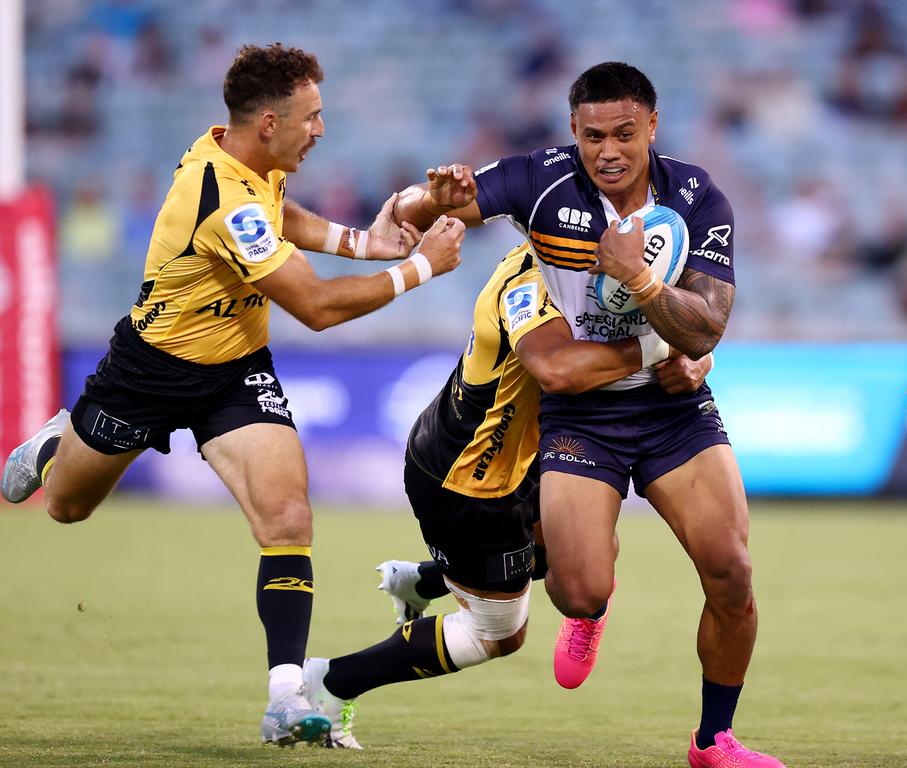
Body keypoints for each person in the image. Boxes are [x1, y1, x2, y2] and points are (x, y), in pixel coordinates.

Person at [0, 43, 465, 747]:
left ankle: (284, 698)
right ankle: (62, 438)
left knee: (286, 517)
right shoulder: (221, 197)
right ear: (271, 122)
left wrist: (366, 244)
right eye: (312, 116)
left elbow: (283, 213)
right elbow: (314, 307)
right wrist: (419, 269)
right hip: (148, 372)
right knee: (66, 506)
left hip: (235, 370)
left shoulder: (252, 162)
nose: (322, 129)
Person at [392, 62, 785, 768]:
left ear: (652, 129)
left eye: (625, 135)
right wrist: (429, 202)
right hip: (579, 417)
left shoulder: (696, 195)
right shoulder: (538, 180)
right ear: (573, 131)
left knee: (731, 572)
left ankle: (713, 740)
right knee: (577, 592)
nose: (609, 151)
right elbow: (415, 216)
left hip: (674, 409)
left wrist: (636, 276)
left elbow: (707, 327)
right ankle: (593, 608)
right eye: (594, 135)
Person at [301, 241, 713, 748]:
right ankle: (332, 681)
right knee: (497, 635)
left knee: (570, 546)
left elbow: (678, 323)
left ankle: (425, 581)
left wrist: (698, 355)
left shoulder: (581, 259)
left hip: (522, 456)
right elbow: (561, 370)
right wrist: (666, 348)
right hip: (470, 480)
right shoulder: (532, 282)